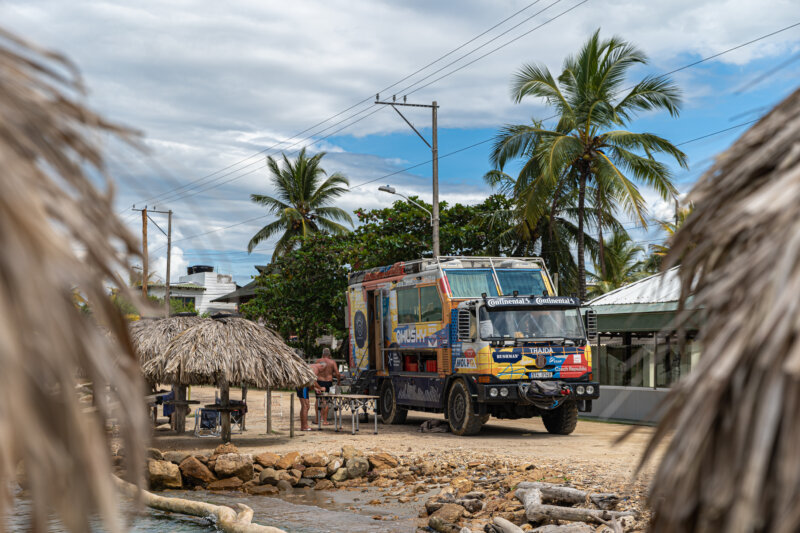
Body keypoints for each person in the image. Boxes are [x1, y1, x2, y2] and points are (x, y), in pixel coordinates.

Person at [314, 347, 340, 425]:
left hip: (319, 382)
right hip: (328, 382)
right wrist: (338, 381)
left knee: (318, 400)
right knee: (326, 400)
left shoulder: (318, 361)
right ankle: (325, 421)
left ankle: (317, 419)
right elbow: (337, 373)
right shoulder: (332, 362)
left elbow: (314, 372)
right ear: (329, 355)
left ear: (322, 354)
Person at [297, 363, 323, 431]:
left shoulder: (312, 367)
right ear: (321, 366)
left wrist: (315, 388)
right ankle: (304, 426)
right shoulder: (316, 369)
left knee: (305, 406)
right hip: (303, 386)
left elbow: (309, 381)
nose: (321, 372)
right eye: (322, 370)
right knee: (305, 406)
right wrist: (320, 388)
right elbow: (313, 380)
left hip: (302, 385)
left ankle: (304, 425)